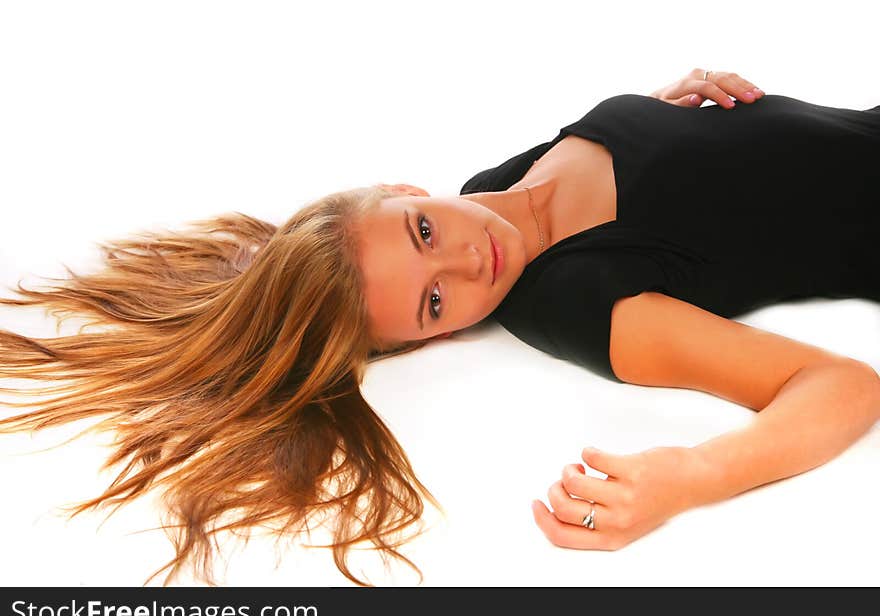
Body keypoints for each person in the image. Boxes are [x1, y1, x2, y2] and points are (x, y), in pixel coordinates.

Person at [1, 68, 878, 586]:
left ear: (408, 191)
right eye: (433, 303)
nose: (468, 263)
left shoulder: (496, 179)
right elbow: (843, 385)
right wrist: (690, 474)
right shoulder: (574, 298)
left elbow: (688, 186)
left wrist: (668, 112)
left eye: (424, 233)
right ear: (436, 339)